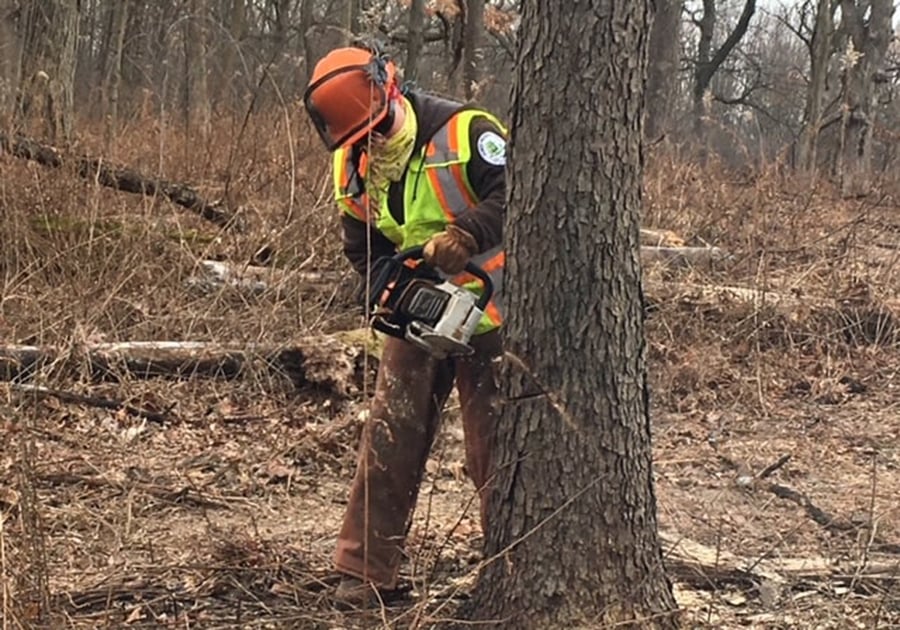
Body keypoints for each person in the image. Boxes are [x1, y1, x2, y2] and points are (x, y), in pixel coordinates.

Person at [302, 44, 508, 606]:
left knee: (494, 445)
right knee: (390, 434)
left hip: (491, 310)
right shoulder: (349, 164)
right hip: (421, 311)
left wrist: (465, 235)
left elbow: (515, 197)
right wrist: (386, 289)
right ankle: (364, 573)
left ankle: (513, 566)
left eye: (375, 130)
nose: (369, 144)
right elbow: (360, 247)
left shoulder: (468, 131)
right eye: (357, 139)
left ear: (393, 94)